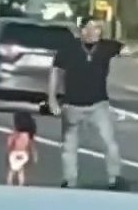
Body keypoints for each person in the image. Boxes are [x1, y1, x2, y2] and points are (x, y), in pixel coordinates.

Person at [48, 18, 132, 190]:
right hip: (72, 105)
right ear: (82, 30)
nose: (96, 32)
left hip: (98, 104)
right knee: (69, 146)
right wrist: (52, 99)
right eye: (92, 28)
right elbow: (55, 73)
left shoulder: (107, 46)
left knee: (109, 142)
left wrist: (129, 49)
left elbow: (125, 50)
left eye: (99, 29)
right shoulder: (68, 49)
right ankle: (69, 181)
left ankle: (114, 178)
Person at [6, 111, 37, 186]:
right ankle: (21, 184)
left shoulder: (15, 134)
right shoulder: (28, 136)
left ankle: (9, 183)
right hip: (23, 154)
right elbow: (32, 146)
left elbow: (9, 144)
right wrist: (34, 156)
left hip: (15, 153)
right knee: (20, 170)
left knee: (12, 170)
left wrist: (9, 150)